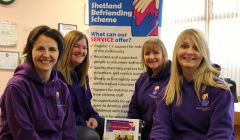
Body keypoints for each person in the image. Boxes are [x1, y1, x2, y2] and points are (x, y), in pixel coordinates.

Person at [150, 28, 235, 139]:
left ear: (204, 54)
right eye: (184, 46)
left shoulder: (220, 91)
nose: (189, 52)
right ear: (176, 52)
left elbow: (220, 134)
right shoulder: (167, 93)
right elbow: (160, 130)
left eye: (196, 48)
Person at [0, 25, 77, 140]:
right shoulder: (17, 86)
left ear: (59, 53)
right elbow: (23, 133)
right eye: (40, 48)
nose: (46, 55)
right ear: (30, 51)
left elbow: (69, 130)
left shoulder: (62, 88)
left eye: (52, 49)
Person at [57, 30, 104, 140]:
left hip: (79, 121)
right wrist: (83, 122)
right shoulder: (57, 76)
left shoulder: (82, 76)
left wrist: (93, 116)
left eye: (84, 48)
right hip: (63, 125)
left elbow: (87, 105)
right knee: (90, 136)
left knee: (104, 124)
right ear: (66, 48)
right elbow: (61, 112)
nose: (81, 51)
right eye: (76, 46)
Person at [127, 38, 171, 140]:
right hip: (142, 133)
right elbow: (133, 107)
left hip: (163, 134)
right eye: (147, 53)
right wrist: (132, 131)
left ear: (163, 54)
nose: (151, 57)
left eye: (156, 53)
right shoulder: (142, 78)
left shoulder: (174, 78)